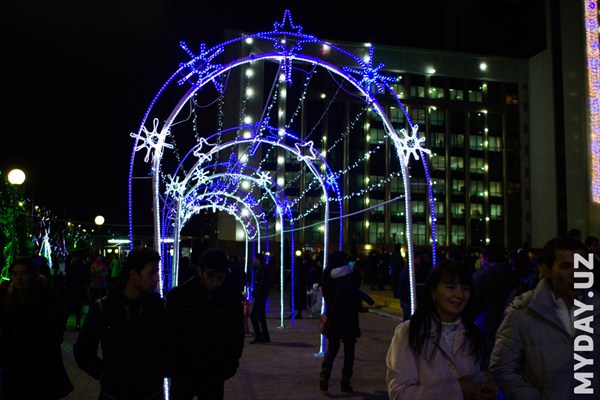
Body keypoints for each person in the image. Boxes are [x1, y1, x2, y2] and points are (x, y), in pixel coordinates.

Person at [488, 236, 600, 399]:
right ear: (546, 269)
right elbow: (502, 368)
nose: (576, 274)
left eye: (582, 266)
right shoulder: (522, 312)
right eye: (566, 266)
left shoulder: (597, 307)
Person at [386, 260, 497, 400]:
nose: (459, 295)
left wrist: (489, 390)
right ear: (434, 292)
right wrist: (456, 390)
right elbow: (400, 393)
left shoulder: (472, 331)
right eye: (451, 287)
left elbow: (480, 374)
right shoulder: (409, 332)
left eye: (465, 288)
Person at [73, 247, 166, 400]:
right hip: (114, 393)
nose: (156, 278)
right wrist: (103, 373)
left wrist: (158, 370)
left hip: (151, 393)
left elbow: (171, 344)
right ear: (133, 275)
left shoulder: (159, 307)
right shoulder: (104, 307)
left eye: (157, 272)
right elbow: (83, 350)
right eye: (151, 273)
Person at [165, 248, 245, 400]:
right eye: (211, 275)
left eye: (220, 276)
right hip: (184, 370)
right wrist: (172, 364)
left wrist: (230, 364)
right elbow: (170, 333)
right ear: (200, 271)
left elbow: (236, 335)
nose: (215, 281)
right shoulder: (179, 296)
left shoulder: (230, 298)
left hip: (214, 371)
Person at [0, 256, 74, 399]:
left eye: (23, 273)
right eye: (14, 273)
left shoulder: (47, 297)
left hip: (40, 366)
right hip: (12, 366)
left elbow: (55, 331)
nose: (18, 278)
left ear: (32, 274)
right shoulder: (8, 296)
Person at [319, 250, 362, 393]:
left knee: (332, 348)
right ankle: (345, 381)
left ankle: (324, 375)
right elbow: (355, 293)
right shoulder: (350, 274)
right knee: (349, 350)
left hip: (333, 316)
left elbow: (325, 294)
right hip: (349, 317)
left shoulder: (326, 274)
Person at [472, 244, 516, 364]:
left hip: (486, 319)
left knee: (489, 355)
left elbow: (475, 299)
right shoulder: (511, 272)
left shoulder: (481, 275)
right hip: (508, 318)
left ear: (486, 258)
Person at [249, 252, 271, 343]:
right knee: (261, 315)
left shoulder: (262, 268)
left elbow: (262, 282)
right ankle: (265, 336)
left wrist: (256, 292)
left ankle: (259, 335)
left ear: (258, 259)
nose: (253, 260)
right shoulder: (261, 267)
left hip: (261, 294)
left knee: (253, 315)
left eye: (254, 259)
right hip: (262, 293)